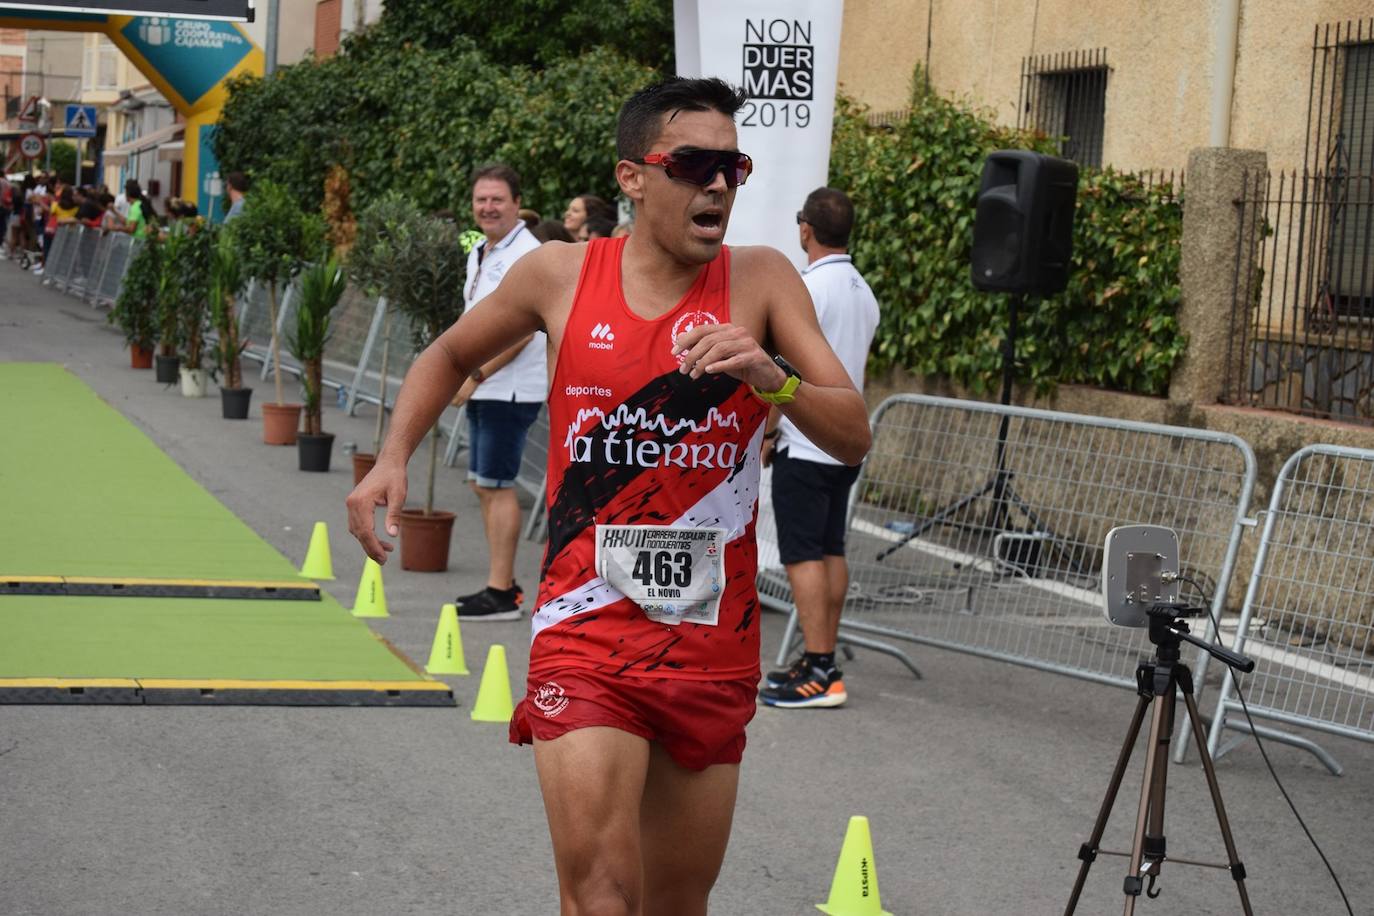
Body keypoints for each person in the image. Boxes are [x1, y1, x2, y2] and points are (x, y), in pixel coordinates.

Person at [346, 76, 869, 915]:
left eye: (732, 164)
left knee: (672, 902)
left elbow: (851, 430)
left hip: (710, 638)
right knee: (601, 891)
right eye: (694, 163)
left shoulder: (763, 279)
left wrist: (773, 378)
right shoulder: (558, 275)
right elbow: (446, 356)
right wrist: (392, 457)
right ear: (633, 177)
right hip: (584, 627)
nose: (719, 184)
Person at [758, 188, 880, 709]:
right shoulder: (861, 289)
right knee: (830, 549)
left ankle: (821, 667)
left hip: (807, 442)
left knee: (803, 554)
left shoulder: (808, 289)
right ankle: (820, 658)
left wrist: (767, 430)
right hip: (844, 441)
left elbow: (786, 371)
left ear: (805, 228)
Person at [446, 163, 545, 622]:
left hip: (507, 389)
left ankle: (501, 591)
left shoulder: (527, 254)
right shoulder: (482, 251)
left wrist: (475, 375)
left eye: (497, 200)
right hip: (487, 386)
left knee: (497, 485)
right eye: (481, 199)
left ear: (517, 204)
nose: (488, 207)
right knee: (481, 484)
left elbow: (521, 332)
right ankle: (499, 584)